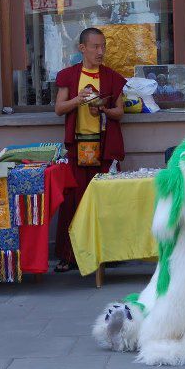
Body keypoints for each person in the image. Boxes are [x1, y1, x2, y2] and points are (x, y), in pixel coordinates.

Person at [53, 27, 127, 272]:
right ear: (82, 48)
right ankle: (69, 255)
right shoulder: (69, 76)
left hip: (104, 147)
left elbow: (120, 112)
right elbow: (59, 108)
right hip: (79, 146)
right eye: (95, 47)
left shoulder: (112, 77)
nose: (100, 51)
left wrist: (103, 110)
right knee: (75, 200)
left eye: (102, 46)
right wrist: (79, 100)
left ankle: (108, 254)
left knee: (106, 200)